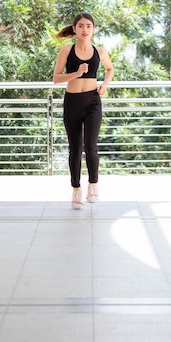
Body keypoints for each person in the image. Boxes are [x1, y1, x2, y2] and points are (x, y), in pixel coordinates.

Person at [53, 12, 114, 209]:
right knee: (75, 149)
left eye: (88, 26)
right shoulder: (66, 50)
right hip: (72, 102)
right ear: (74, 29)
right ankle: (76, 190)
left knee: (91, 145)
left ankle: (93, 186)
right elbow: (56, 78)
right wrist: (77, 73)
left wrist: (105, 84)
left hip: (92, 102)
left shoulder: (100, 51)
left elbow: (110, 69)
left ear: (93, 29)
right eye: (80, 26)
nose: (85, 29)